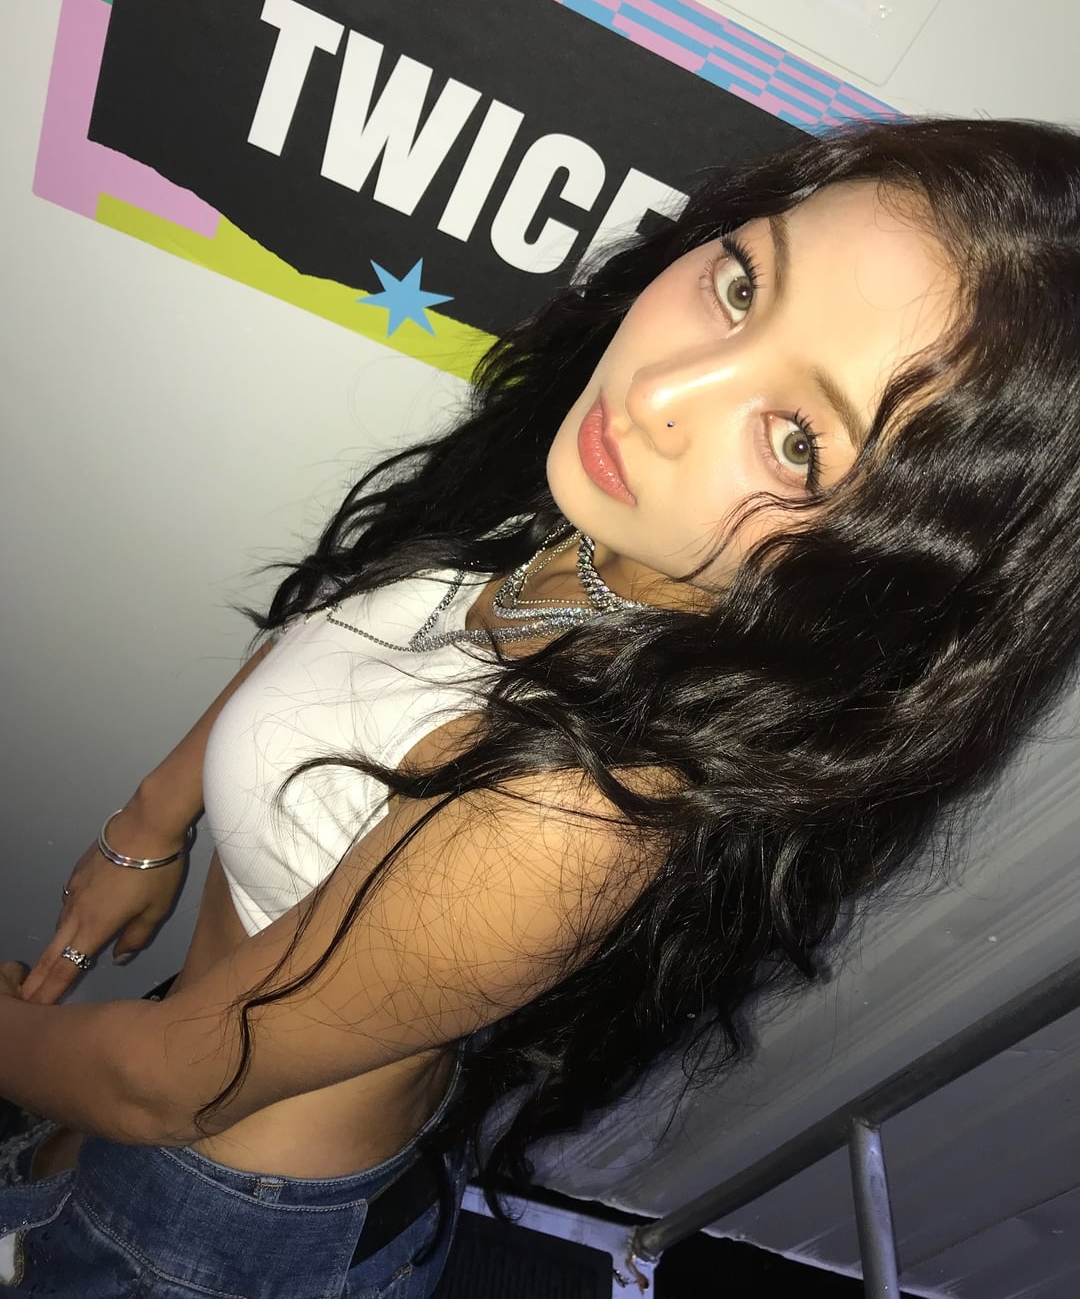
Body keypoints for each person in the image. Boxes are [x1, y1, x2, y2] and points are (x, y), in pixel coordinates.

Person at [2, 114, 1080, 1297]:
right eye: (740, 285)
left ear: (891, 573)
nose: (661, 389)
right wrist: (150, 823)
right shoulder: (598, 506)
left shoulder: (578, 809)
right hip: (168, 1067)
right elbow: (339, 645)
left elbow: (167, 1085)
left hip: (209, 1222)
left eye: (795, 439)